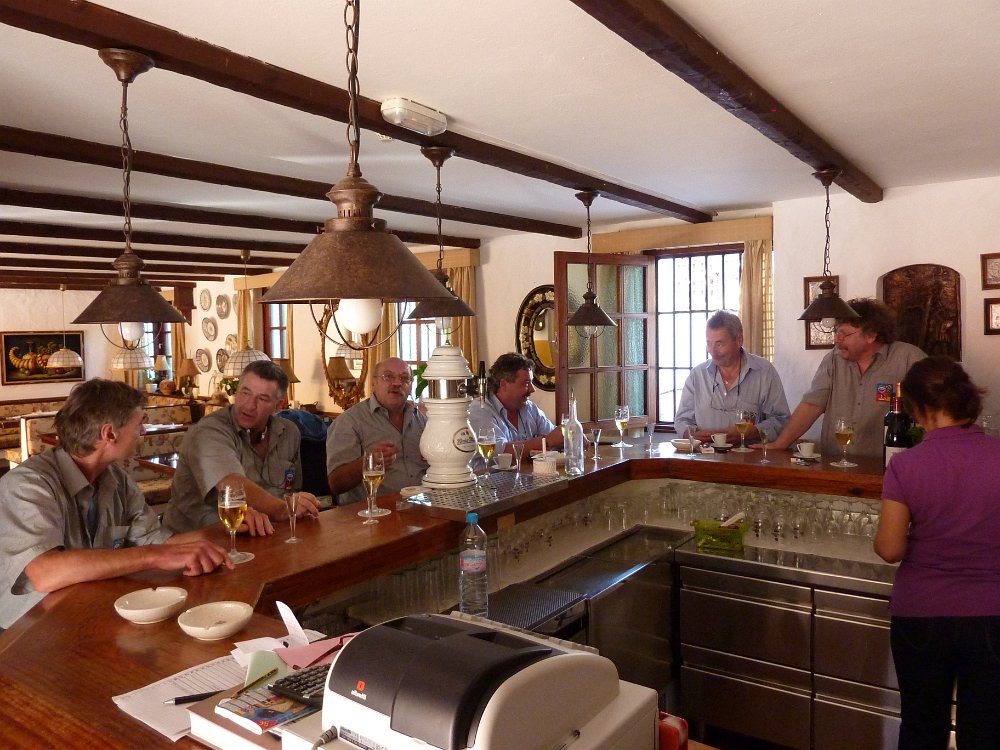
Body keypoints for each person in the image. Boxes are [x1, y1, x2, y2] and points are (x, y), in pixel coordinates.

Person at [0, 379, 232, 630]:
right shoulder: (29, 484)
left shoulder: (116, 479)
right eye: (140, 423)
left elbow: (158, 542)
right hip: (26, 630)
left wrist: (224, 529)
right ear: (109, 434)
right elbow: (45, 573)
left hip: (90, 613)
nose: (143, 432)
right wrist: (153, 556)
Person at [874, 357, 1000, 749]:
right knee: (987, 730)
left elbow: (890, 549)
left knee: (922, 726)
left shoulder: (906, 466)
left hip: (922, 612)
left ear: (919, 407)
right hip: (993, 612)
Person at [163, 360, 320, 534]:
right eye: (245, 393)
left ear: (277, 406)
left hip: (261, 534)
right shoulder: (209, 430)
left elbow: (291, 490)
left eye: (262, 398)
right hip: (193, 538)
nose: (249, 405)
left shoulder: (289, 432)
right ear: (236, 392)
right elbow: (231, 484)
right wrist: (283, 509)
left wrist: (302, 504)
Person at [768, 298, 925, 458]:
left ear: (870, 335)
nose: (837, 340)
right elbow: (811, 405)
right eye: (837, 332)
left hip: (887, 463)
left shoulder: (908, 358)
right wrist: (780, 444)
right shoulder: (833, 359)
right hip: (835, 463)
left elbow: (930, 412)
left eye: (844, 334)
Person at [674, 310, 790, 444]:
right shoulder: (697, 375)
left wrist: (752, 432)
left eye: (719, 344)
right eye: (709, 343)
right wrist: (691, 434)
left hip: (749, 456)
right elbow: (681, 420)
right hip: (704, 454)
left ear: (739, 340)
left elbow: (782, 420)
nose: (712, 351)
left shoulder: (764, 372)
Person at [326, 357, 429, 505]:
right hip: (371, 513)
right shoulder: (349, 422)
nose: (397, 383)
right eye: (388, 376)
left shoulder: (420, 419)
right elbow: (336, 484)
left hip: (421, 508)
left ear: (411, 385)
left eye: (404, 378)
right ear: (374, 383)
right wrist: (368, 462)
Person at [467, 352, 563, 457]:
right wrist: (546, 441)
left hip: (527, 468)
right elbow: (499, 452)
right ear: (504, 384)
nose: (532, 389)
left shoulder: (529, 408)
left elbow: (555, 436)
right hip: (492, 469)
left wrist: (568, 436)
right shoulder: (480, 410)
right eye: (526, 383)